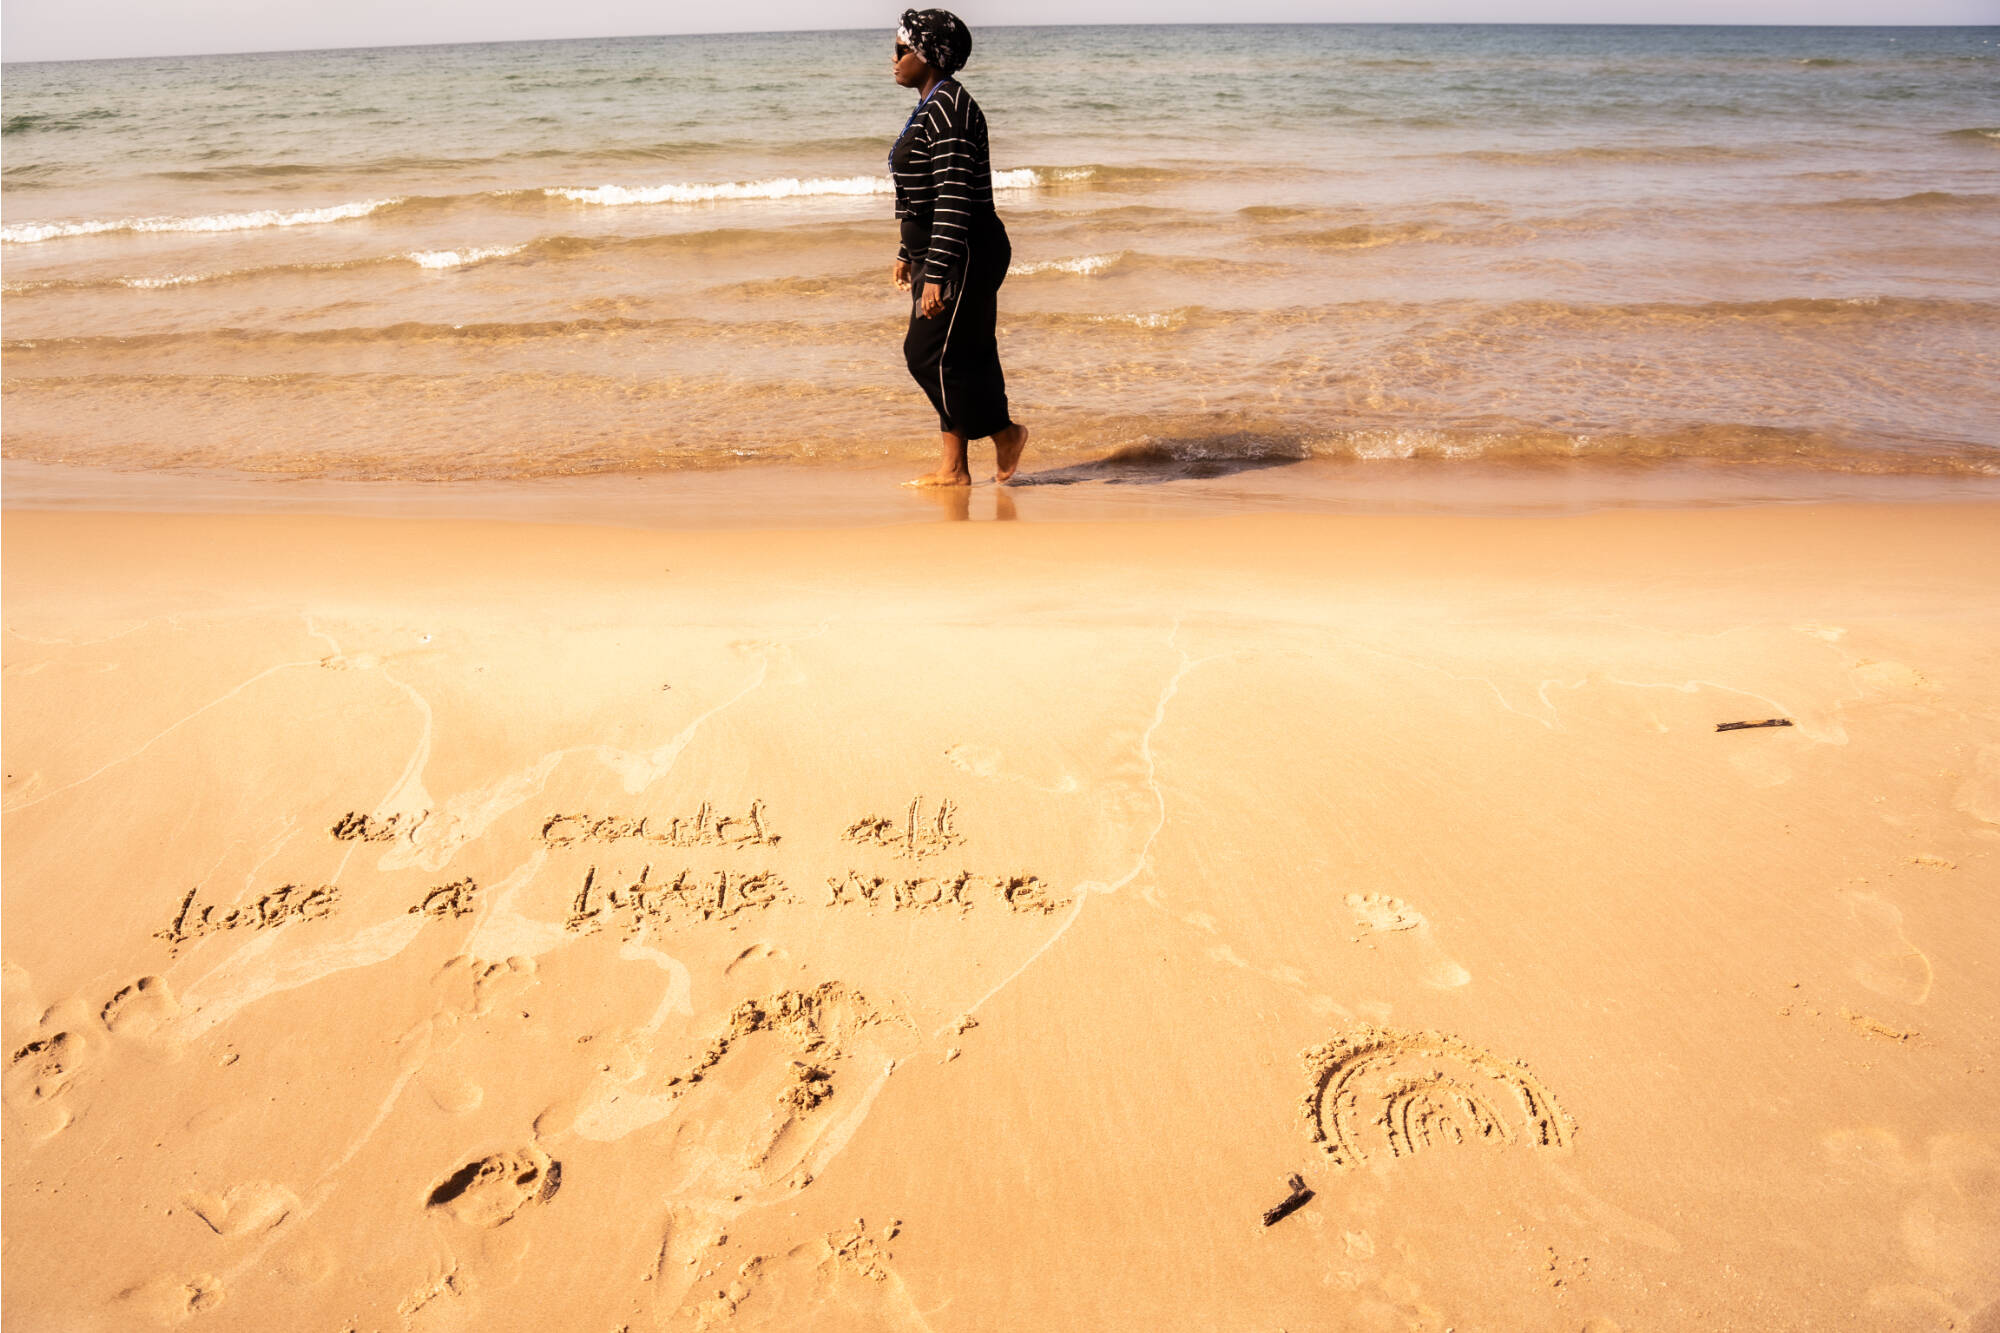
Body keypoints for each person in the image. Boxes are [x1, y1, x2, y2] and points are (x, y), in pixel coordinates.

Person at [889, 8, 1029, 487]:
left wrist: (937, 271)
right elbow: (918, 189)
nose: (894, 58)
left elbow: (953, 194)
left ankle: (1003, 434)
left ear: (928, 56)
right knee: (965, 354)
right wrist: (909, 252)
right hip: (942, 248)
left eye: (902, 49)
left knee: (928, 356)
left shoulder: (948, 107)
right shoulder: (931, 104)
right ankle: (956, 467)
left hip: (963, 246)